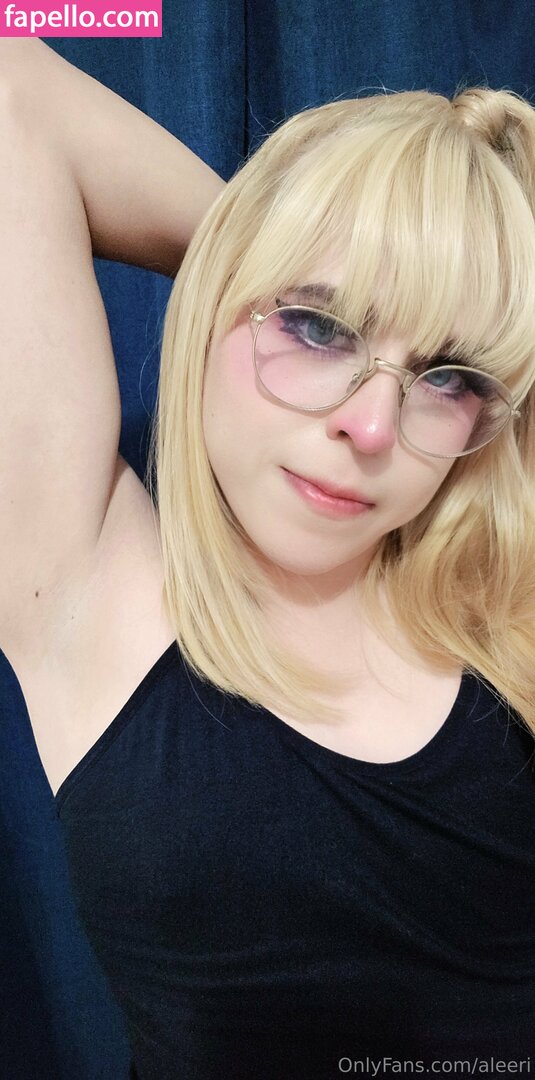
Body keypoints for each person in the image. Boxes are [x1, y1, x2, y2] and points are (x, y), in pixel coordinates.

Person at [1, 38, 534, 1080]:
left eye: (446, 376)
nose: (370, 427)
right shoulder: (87, 591)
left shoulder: (502, 609)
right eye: (316, 325)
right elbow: (11, 91)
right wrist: (262, 245)